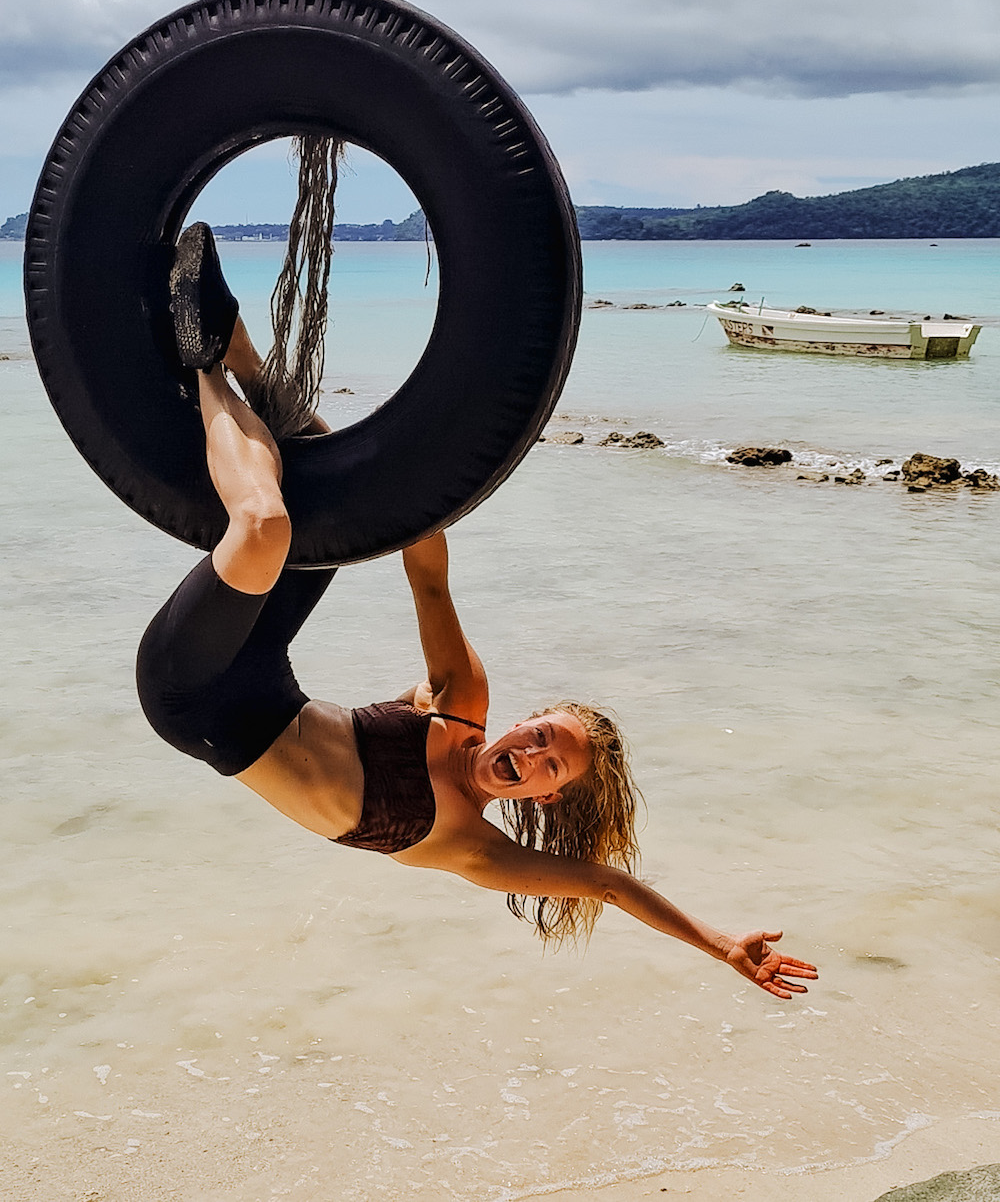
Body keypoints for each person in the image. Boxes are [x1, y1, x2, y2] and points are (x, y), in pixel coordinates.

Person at [137, 222, 819, 1001]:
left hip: (190, 696)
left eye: (546, 762)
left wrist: (725, 944)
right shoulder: (459, 703)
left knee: (266, 527)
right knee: (327, 467)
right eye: (538, 734)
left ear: (547, 795)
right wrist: (429, 458)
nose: (526, 752)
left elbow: (607, 886)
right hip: (260, 668)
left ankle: (203, 365)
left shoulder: (470, 846)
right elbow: (427, 575)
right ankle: (226, 335)